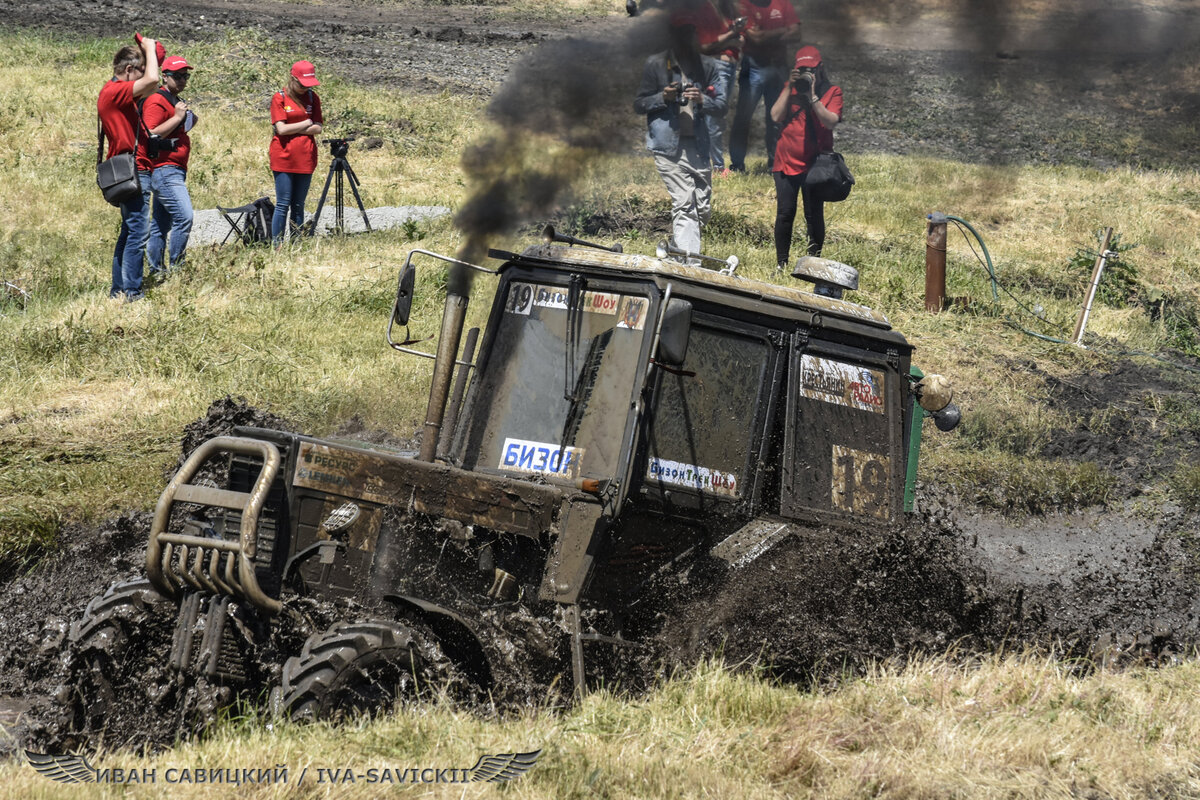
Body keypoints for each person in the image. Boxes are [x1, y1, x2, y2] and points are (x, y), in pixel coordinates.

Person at [634, 23, 728, 260]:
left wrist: (703, 99)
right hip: (667, 147)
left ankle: (676, 252)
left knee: (702, 210)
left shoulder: (708, 67)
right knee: (685, 204)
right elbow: (640, 104)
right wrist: (662, 97)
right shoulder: (655, 65)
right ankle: (689, 269)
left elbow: (722, 106)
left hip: (698, 147)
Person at [98, 36, 160, 301]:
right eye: (139, 71)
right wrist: (148, 48)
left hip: (130, 167)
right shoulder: (114, 91)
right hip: (134, 169)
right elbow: (153, 81)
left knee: (128, 231)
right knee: (138, 232)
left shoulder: (115, 94)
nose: (141, 77)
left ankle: (119, 289)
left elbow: (150, 85)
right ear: (128, 71)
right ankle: (132, 292)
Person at [770, 45, 842, 268]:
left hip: (816, 164)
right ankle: (781, 264)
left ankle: (813, 263)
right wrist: (789, 87)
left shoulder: (832, 92)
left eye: (810, 69)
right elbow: (775, 116)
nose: (806, 73)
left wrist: (811, 96)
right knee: (785, 213)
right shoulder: (789, 89)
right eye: (801, 69)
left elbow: (830, 121)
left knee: (813, 214)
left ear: (820, 69)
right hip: (786, 159)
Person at [670, 0, 745, 176]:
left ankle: (711, 163)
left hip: (729, 65)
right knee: (713, 117)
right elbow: (704, 45)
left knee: (716, 115)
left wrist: (732, 37)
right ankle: (716, 166)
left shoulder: (727, 9)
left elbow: (740, 40)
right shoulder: (702, 9)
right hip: (717, 65)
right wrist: (731, 35)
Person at [727, 0, 799, 174]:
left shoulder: (782, 3)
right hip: (754, 66)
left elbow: (797, 34)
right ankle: (737, 165)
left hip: (779, 65)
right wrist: (783, 30)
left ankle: (774, 164)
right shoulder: (744, 5)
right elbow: (756, 38)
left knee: (776, 117)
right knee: (744, 116)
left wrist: (767, 34)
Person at [142, 55, 197, 279]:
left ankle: (156, 270)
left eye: (186, 76)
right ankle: (176, 270)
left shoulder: (174, 99)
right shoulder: (156, 100)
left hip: (174, 168)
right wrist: (177, 118)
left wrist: (186, 119)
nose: (182, 80)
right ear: (165, 77)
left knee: (160, 225)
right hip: (164, 169)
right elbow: (151, 133)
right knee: (185, 217)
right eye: (177, 76)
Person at [269, 61, 323, 244]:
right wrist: (306, 123)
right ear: (293, 79)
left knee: (298, 205)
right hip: (283, 157)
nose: (304, 89)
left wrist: (294, 128)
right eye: (301, 84)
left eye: (308, 85)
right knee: (283, 203)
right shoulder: (280, 98)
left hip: (306, 157)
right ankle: (277, 245)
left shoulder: (313, 98)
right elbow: (281, 130)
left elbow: (318, 128)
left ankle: (296, 243)